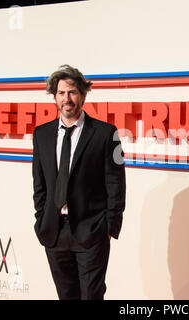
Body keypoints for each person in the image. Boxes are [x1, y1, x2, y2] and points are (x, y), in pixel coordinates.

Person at [32, 64, 126, 300]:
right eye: (62, 93)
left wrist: (108, 228)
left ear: (83, 94)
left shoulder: (106, 133)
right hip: (54, 231)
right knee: (66, 296)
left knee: (91, 296)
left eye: (72, 92)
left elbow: (116, 185)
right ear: (54, 96)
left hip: (92, 231)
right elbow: (39, 183)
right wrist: (41, 218)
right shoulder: (41, 134)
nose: (67, 98)